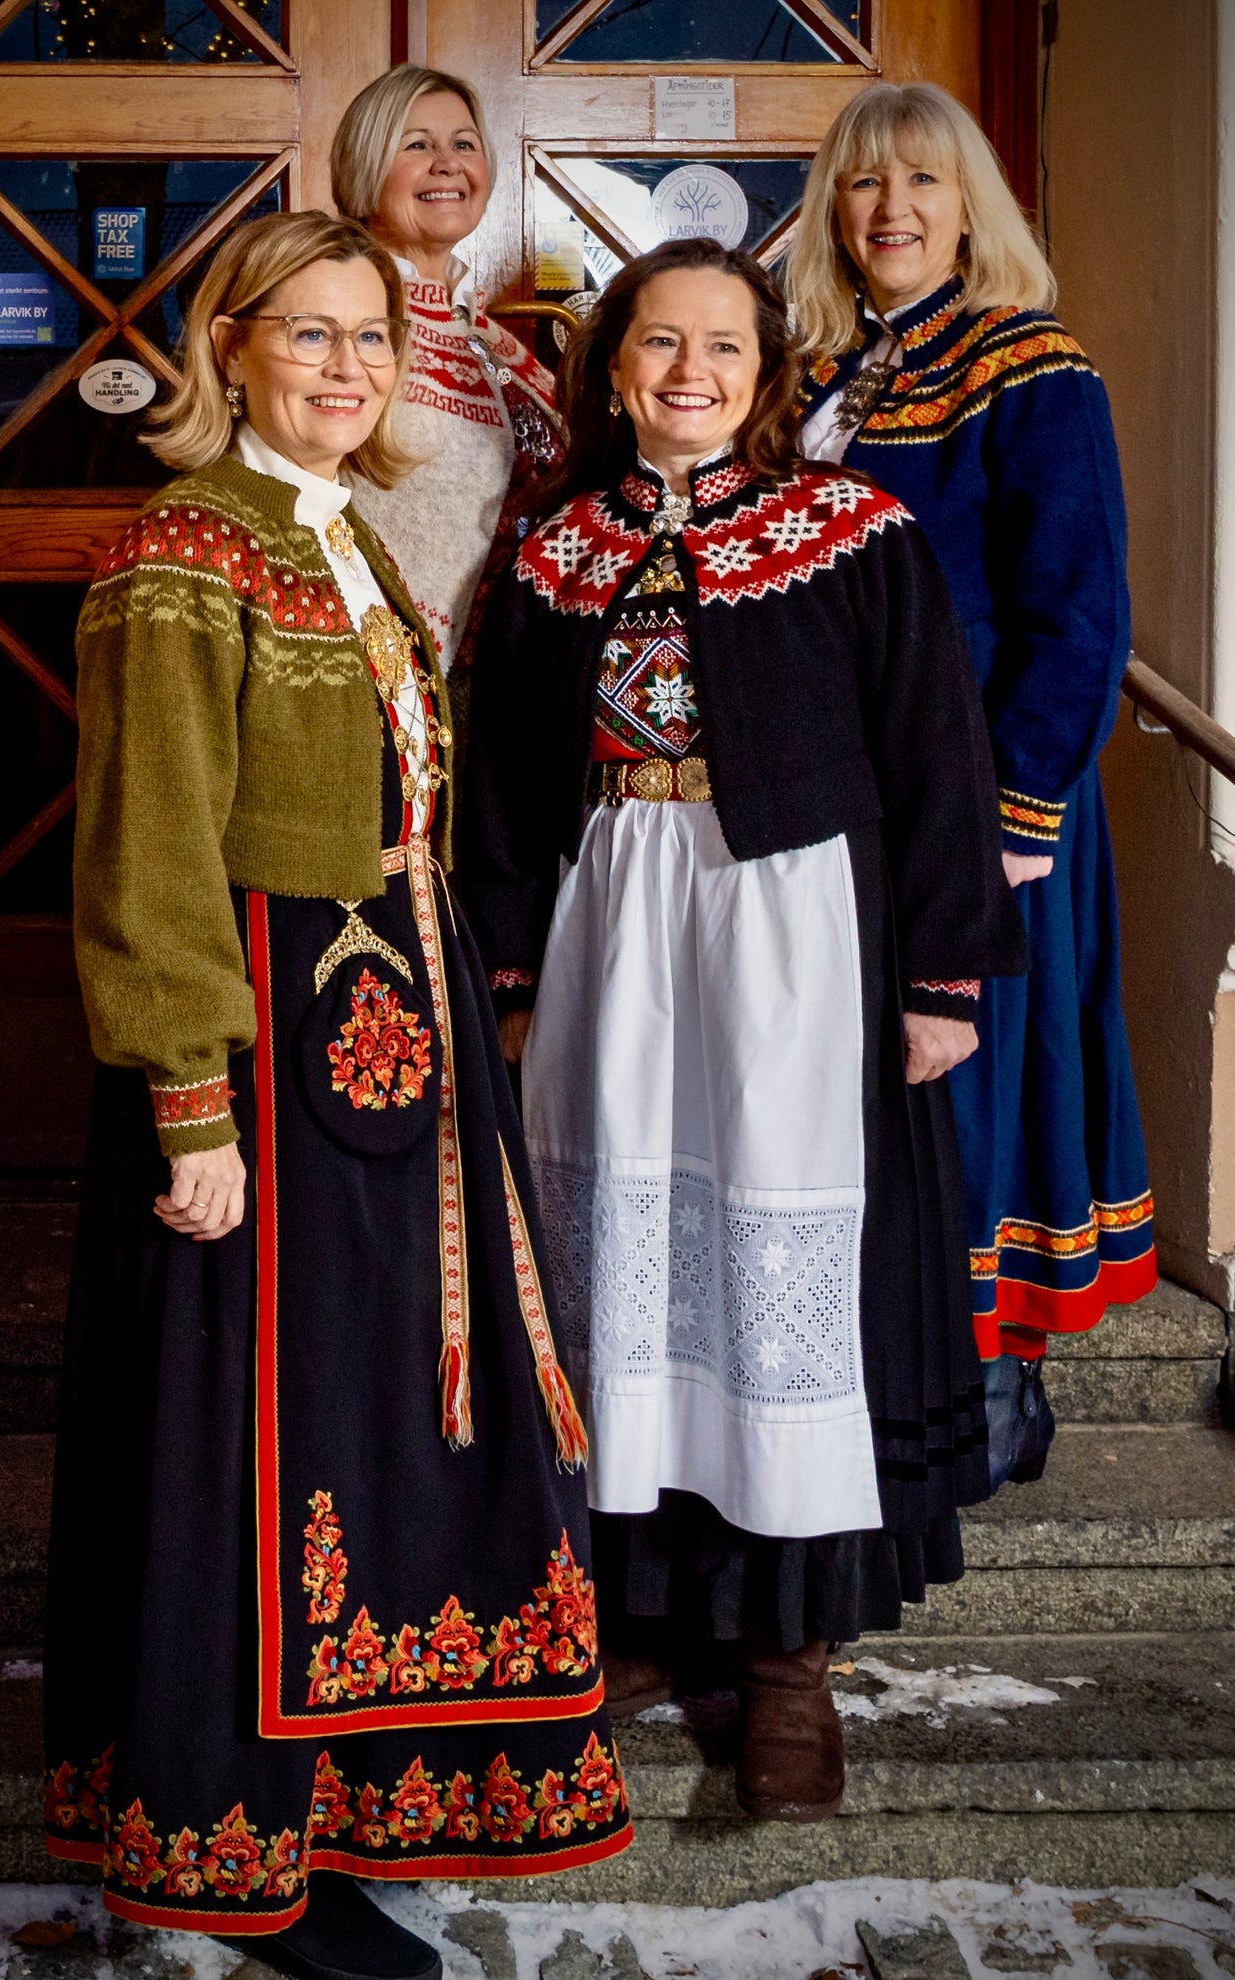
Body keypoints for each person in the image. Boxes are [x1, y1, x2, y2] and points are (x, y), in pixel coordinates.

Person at [42, 211, 631, 1980]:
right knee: (245, 1440)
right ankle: (237, 1858)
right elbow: (148, 854)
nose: (345, 365)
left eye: (368, 337)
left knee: (359, 1433)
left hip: (391, 1036)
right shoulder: (181, 554)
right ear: (231, 345)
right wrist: (190, 1109)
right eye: (306, 334)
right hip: (257, 1057)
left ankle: (338, 1815)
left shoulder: (350, 541)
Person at [460, 237, 1028, 1823]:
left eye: (722, 345)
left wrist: (939, 980)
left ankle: (786, 1668)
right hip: (609, 933)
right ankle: (649, 1619)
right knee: (621, 1272)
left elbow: (934, 754)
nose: (689, 372)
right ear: (613, 366)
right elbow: (504, 785)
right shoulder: (558, 549)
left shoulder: (854, 534)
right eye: (657, 344)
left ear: (768, 370)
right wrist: (506, 972)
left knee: (785, 1280)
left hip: (793, 939)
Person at [788, 81, 1157, 1490]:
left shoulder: (1029, 362)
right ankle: (893, 1383)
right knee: (874, 1096)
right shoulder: (832, 370)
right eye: (864, 185)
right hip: (852, 805)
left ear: (969, 208)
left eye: (921, 186)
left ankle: (988, 1396)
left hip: (981, 811)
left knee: (975, 1096)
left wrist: (1012, 824)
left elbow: (1080, 612)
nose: (889, 211)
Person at [331, 64, 562, 688]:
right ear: (365, 166)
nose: (446, 163)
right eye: (416, 144)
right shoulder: (346, 313)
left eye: (464, 143)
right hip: (390, 670)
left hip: (515, 669)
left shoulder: (480, 325)